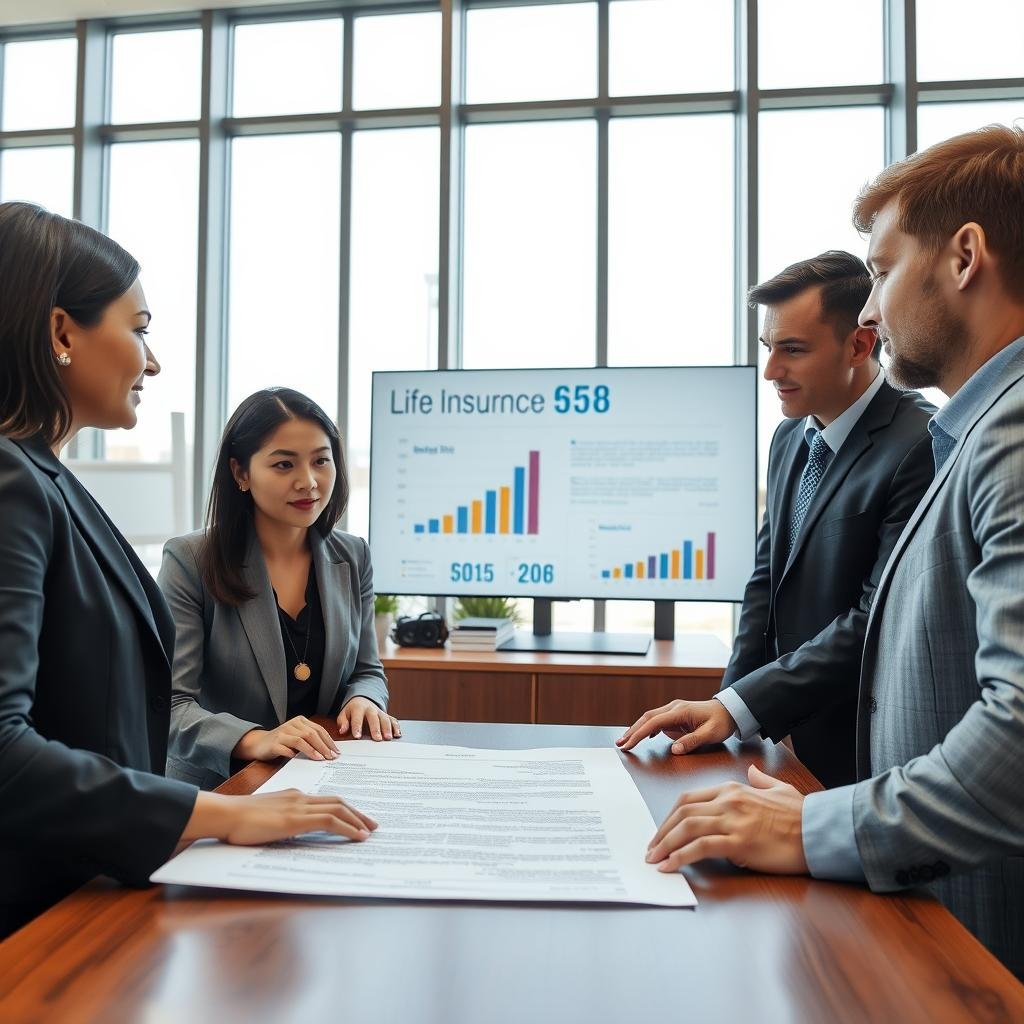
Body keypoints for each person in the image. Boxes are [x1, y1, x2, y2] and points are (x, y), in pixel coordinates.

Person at [642, 124, 1024, 979]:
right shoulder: (980, 431)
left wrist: (816, 825)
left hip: (980, 914)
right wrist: (743, 712)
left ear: (965, 256)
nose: (874, 309)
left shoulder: (1008, 434)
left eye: (884, 270)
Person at [0, 202, 376, 939]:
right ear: (60, 331)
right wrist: (224, 814)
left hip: (91, 888)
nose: (155, 358)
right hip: (37, 913)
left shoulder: (46, 480)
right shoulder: (13, 484)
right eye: (138, 328)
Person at [618, 252, 935, 787]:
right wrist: (726, 713)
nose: (770, 372)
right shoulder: (790, 437)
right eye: (768, 348)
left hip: (862, 748)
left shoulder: (918, 443)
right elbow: (765, 582)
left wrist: (745, 706)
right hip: (777, 739)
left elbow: (873, 619)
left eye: (792, 350)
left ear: (860, 343)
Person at [160, 387, 400, 789]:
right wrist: (257, 740)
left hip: (320, 778)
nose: (308, 482)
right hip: (219, 790)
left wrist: (364, 699)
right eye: (284, 465)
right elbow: (169, 705)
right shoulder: (190, 560)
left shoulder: (353, 555)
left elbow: (366, 670)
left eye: (321, 461)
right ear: (240, 473)